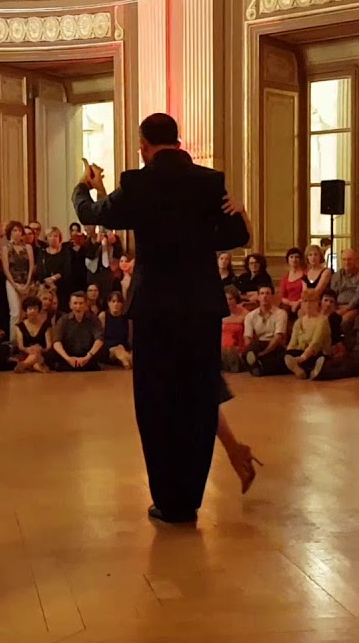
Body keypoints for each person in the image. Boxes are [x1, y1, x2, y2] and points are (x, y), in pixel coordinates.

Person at [73, 112, 251, 524]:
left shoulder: (138, 183)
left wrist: (83, 186)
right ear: (178, 140)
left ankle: (167, 501)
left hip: (154, 308)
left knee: (156, 402)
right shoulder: (210, 182)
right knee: (198, 398)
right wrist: (236, 213)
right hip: (202, 308)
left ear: (143, 145)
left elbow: (93, 213)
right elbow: (234, 238)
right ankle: (190, 500)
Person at [46, 291, 106, 372]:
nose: (78, 306)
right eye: (75, 303)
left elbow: (99, 339)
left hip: (88, 355)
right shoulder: (63, 320)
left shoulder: (93, 319)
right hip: (67, 356)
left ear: (86, 305)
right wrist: (68, 358)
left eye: (81, 303)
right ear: (70, 305)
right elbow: (56, 341)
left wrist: (88, 357)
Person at [242, 285, 288, 375]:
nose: (265, 296)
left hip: (274, 346)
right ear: (258, 297)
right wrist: (250, 350)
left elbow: (278, 337)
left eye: (268, 293)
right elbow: (247, 336)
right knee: (245, 353)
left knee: (279, 359)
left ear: (272, 296)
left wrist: (264, 353)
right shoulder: (250, 316)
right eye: (262, 293)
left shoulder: (281, 314)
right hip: (258, 344)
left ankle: (258, 366)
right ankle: (258, 365)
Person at [11, 296, 52, 373]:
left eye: (35, 308)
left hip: (42, 353)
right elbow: (21, 346)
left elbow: (49, 345)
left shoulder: (46, 325)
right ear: (25, 311)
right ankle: (35, 366)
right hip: (26, 353)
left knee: (37, 354)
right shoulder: (19, 326)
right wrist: (28, 349)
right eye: (30, 309)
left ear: (38, 310)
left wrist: (40, 349)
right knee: (35, 355)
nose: (33, 311)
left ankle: (24, 365)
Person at [330, 249, 359, 318]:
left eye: (350, 259)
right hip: (337, 306)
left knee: (345, 320)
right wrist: (333, 307)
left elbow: (358, 296)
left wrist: (347, 308)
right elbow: (332, 293)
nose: (347, 262)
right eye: (344, 259)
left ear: (356, 260)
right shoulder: (336, 275)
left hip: (354, 308)